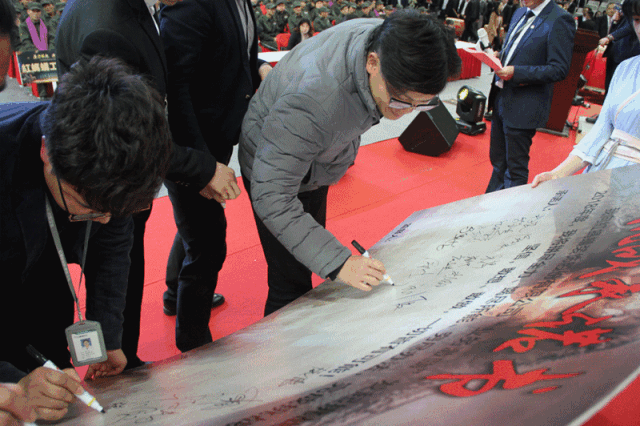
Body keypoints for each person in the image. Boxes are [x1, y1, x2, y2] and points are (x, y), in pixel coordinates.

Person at [239, 11, 461, 315]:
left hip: (314, 159)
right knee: (290, 286)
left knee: (306, 251)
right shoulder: (315, 100)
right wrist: (340, 263)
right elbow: (272, 194)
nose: (406, 112)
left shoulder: (390, 39)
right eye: (400, 100)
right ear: (372, 63)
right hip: (271, 162)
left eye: (421, 104)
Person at [0, 56, 173, 423]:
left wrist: (107, 335)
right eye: (89, 208)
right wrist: (10, 383)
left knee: (55, 391)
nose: (105, 220)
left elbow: (112, 244)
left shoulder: (108, 162)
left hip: (43, 275)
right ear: (47, 154)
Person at [55, 0, 223, 370]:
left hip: (112, 181)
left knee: (124, 262)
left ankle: (122, 354)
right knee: (114, 267)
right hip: (102, 182)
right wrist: (201, 168)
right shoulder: (107, 27)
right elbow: (122, 135)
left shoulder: (123, 9)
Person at [160, 0, 272, 352]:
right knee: (208, 243)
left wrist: (259, 67)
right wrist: (201, 166)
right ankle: (193, 343)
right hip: (191, 147)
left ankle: (173, 292)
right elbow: (175, 89)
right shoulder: (189, 5)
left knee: (196, 223)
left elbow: (234, 54)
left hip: (218, 135)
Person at [531, 0, 640, 187]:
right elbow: (602, 129)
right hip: (602, 171)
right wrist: (558, 173)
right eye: (637, 20)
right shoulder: (625, 68)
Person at [484, 0, 575, 193]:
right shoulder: (520, 13)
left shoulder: (560, 19)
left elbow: (558, 69)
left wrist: (517, 73)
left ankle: (510, 208)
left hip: (524, 104)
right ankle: (491, 202)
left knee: (514, 168)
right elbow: (516, 49)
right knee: (498, 160)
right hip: (501, 96)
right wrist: (499, 56)